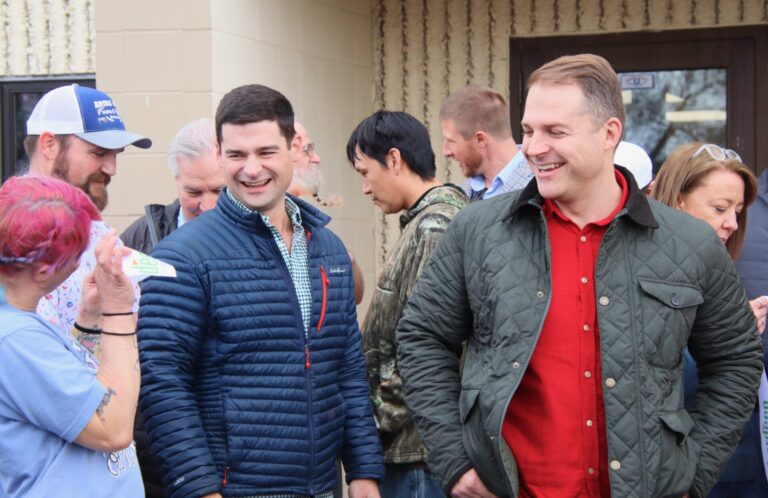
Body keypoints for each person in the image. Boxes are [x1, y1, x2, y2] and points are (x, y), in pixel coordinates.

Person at [395, 53, 764, 498]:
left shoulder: (690, 243)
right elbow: (421, 338)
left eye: (555, 131)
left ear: (609, 134)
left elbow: (736, 360)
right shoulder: (476, 231)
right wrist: (455, 461)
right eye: (529, 130)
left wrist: (693, 472)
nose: (532, 147)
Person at [137, 84, 384, 498]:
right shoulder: (182, 256)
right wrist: (200, 490)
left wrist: (363, 473)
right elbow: (163, 386)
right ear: (220, 154)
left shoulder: (328, 249)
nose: (251, 169)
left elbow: (346, 371)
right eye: (236, 155)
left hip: (322, 488)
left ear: (294, 149)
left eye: (266, 152)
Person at [347, 110, 467, 497]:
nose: (365, 188)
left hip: (417, 452)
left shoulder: (435, 228)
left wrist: (371, 429)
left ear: (395, 160)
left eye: (365, 172)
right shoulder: (427, 221)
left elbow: (423, 348)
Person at [0, 176, 141, 497]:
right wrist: (118, 312)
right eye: (79, 254)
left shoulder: (19, 322)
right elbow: (113, 428)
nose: (83, 262)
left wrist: (89, 320)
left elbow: (69, 393)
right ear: (44, 272)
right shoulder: (16, 339)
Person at [651, 141, 768, 498]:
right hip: (677, 471)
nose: (732, 223)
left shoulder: (722, 271)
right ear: (676, 200)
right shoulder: (638, 270)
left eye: (737, 210)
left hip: (740, 466)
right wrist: (726, 336)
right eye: (720, 208)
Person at [24, 84, 150, 340]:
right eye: (99, 152)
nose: (111, 168)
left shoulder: (99, 233)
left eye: (116, 155)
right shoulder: (13, 238)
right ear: (49, 144)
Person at [121, 118, 224, 253]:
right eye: (194, 192)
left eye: (219, 191)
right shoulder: (139, 240)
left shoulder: (259, 234)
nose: (208, 207)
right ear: (176, 180)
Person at [289, 120, 365, 305]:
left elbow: (355, 297)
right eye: (308, 150)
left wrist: (346, 261)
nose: (317, 158)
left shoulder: (306, 224)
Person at [439, 85, 532, 201]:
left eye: (451, 141)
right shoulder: (461, 195)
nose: (446, 151)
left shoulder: (540, 187)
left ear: (480, 139)